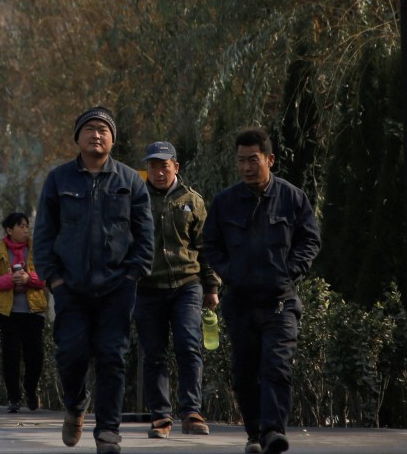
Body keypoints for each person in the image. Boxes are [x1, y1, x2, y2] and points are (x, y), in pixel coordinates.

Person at [33, 106, 154, 454]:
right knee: (71, 354)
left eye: (103, 129)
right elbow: (44, 235)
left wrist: (133, 275)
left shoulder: (131, 181)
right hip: (69, 286)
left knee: (112, 357)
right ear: (78, 138)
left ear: (113, 139)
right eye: (89, 129)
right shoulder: (59, 180)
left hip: (117, 287)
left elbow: (145, 235)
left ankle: (108, 432)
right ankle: (75, 405)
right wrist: (53, 279)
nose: (96, 135)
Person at [203, 128, 321, 454]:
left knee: (276, 365)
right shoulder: (225, 202)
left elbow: (309, 241)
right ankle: (254, 432)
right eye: (241, 161)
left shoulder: (293, 198)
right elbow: (211, 244)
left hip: (279, 301)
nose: (246, 168)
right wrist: (228, 273)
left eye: (252, 160)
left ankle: (273, 431)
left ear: (269, 159)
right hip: (240, 301)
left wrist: (289, 271)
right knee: (244, 372)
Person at [133, 140, 221, 439]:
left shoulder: (192, 200)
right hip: (147, 287)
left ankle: (192, 411)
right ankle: (161, 416)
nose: (159, 172)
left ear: (176, 167)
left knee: (188, 345)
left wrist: (212, 286)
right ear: (147, 169)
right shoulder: (136, 200)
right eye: (153, 166)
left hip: (187, 285)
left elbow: (205, 246)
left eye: (164, 165)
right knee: (154, 353)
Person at [0, 211, 47, 413]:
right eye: (20, 226)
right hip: (8, 312)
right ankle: (14, 397)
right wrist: (9, 280)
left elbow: (45, 277)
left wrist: (29, 279)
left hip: (33, 310)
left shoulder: (36, 250)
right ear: (9, 230)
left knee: (35, 355)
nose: (24, 230)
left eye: (26, 226)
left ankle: (30, 390)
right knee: (11, 355)